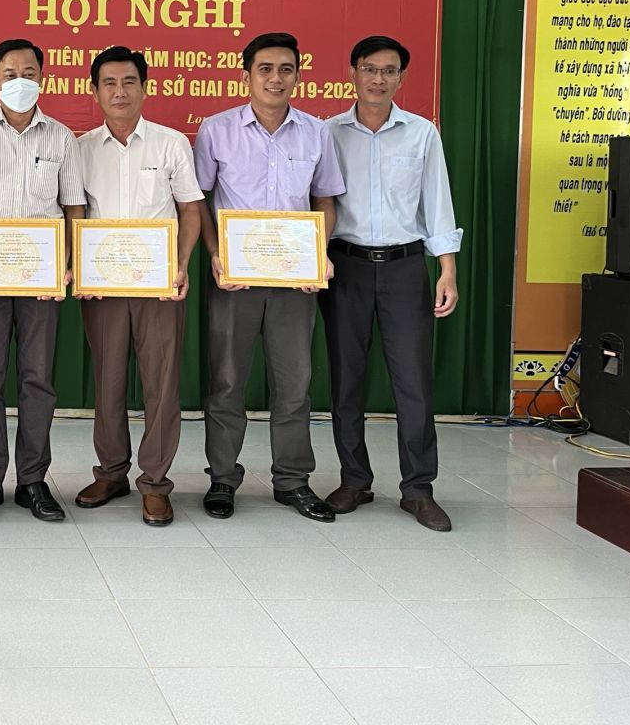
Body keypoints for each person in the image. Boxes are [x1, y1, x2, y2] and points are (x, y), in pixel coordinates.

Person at [193, 32, 345, 522]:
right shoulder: (216, 130)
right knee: (227, 382)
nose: (276, 78)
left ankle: (293, 481)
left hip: (295, 282)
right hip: (234, 280)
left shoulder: (317, 132)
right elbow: (199, 202)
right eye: (265, 69)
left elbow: (325, 200)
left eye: (286, 69)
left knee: (294, 384)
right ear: (246, 76)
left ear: (298, 75)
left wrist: (319, 253)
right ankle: (222, 478)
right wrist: (215, 254)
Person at [320, 36, 461, 532]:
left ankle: (418, 489)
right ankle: (354, 480)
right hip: (345, 267)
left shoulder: (421, 133)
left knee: (413, 382)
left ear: (402, 78)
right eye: (369, 69)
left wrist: (447, 270)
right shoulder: (328, 133)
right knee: (346, 379)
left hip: (405, 267)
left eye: (388, 71)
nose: (377, 79)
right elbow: (316, 201)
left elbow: (438, 203)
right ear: (352, 73)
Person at [0, 38, 86, 522]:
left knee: (38, 379)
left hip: (42, 279)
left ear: (43, 79)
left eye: (29, 73)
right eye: (10, 73)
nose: (20, 81)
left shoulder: (61, 137)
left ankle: (32, 481)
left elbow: (73, 207)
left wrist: (67, 263)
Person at [73, 47, 202, 528]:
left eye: (129, 81)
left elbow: (190, 210)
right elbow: (75, 213)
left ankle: (155, 483)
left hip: (159, 285)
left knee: (161, 384)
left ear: (145, 88)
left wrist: (181, 264)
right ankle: (110, 473)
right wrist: (78, 266)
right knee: (107, 381)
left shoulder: (171, 144)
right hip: (102, 286)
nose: (120, 91)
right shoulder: (81, 149)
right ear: (95, 91)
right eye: (109, 83)